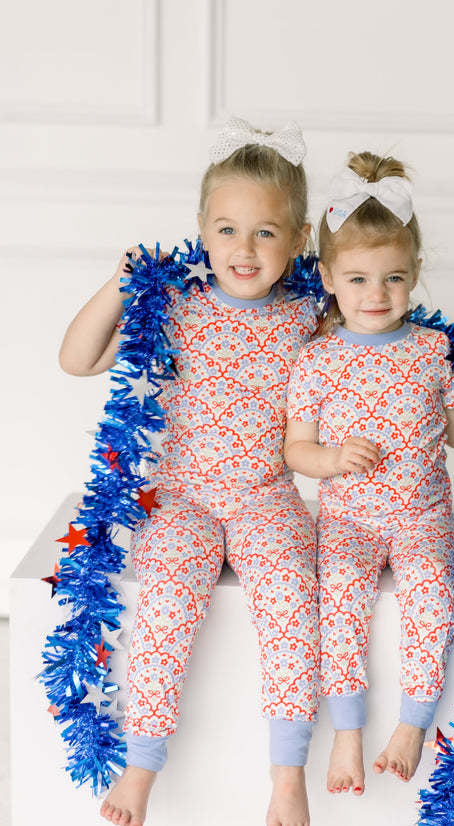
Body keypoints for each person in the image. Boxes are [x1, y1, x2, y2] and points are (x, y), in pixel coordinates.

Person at [59, 117, 321, 826]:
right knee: (167, 606)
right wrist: (122, 284)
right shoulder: (174, 304)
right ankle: (141, 766)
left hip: (268, 495)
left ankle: (288, 774)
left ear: (299, 241)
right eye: (227, 229)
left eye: (266, 232)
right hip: (182, 497)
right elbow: (77, 360)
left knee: (291, 596)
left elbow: (384, 345)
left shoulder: (311, 314)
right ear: (201, 230)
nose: (245, 249)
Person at [284, 151, 454, 797]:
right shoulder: (317, 361)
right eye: (357, 279)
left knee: (432, 596)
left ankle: (412, 725)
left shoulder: (432, 351)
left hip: (422, 519)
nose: (376, 295)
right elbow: (296, 450)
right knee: (340, 599)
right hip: (347, 521)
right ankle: (347, 731)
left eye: (393, 278)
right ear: (327, 277)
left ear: (415, 274)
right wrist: (332, 459)